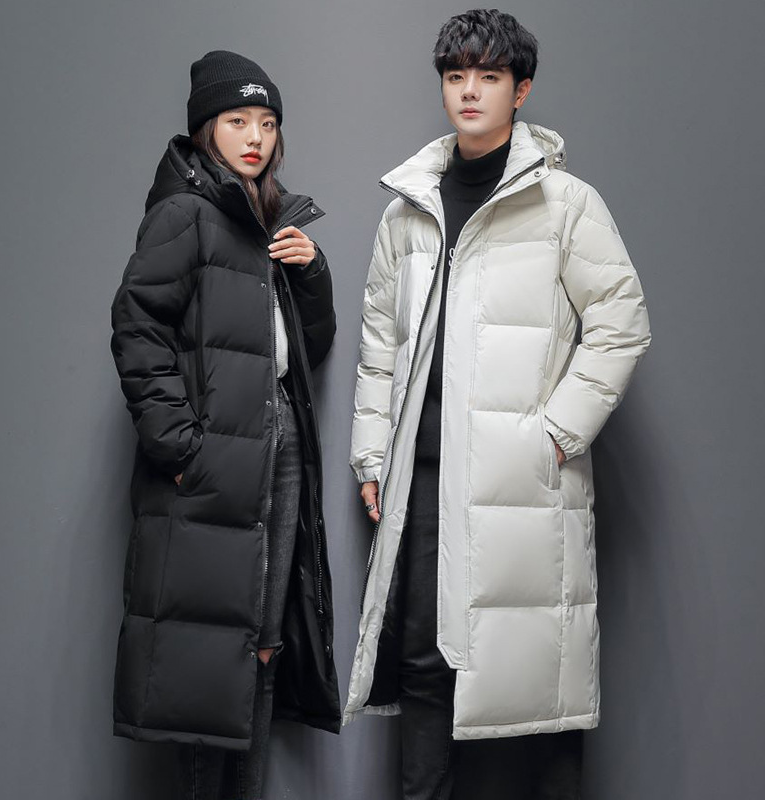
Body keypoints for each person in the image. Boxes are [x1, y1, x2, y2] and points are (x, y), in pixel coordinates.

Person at [346, 9, 651, 799]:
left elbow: (620, 323)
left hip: (523, 487)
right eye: (456, 76)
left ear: (522, 90)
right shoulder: (406, 211)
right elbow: (381, 344)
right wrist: (373, 455)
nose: (470, 91)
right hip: (424, 484)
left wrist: (555, 434)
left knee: (530, 683)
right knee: (423, 666)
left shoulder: (566, 204)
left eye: (488, 76)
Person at [109, 50, 340, 800]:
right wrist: (180, 447)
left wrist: (310, 273)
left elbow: (305, 349)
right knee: (207, 668)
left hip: (280, 450)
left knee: (261, 648)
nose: (255, 137)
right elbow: (137, 325)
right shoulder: (185, 214)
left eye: (267, 123)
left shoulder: (267, 220)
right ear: (206, 128)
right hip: (215, 464)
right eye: (238, 121)